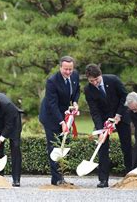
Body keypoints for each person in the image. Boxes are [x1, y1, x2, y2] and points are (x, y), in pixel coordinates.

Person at [84, 64, 132, 188]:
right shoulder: (88, 89)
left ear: (100, 75)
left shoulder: (113, 80)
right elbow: (94, 111)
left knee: (126, 146)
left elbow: (124, 97)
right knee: (102, 148)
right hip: (104, 120)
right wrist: (100, 130)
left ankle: (131, 176)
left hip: (121, 116)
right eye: (91, 81)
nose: (94, 83)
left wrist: (119, 115)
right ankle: (103, 179)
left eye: (97, 80)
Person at [39, 56, 80, 186]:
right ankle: (57, 179)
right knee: (55, 146)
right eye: (65, 69)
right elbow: (52, 104)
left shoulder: (74, 75)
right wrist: (62, 123)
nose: (68, 72)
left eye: (70, 69)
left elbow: (77, 90)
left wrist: (75, 102)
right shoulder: (52, 81)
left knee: (64, 145)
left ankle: (61, 176)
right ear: (60, 67)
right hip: (51, 116)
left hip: (65, 113)